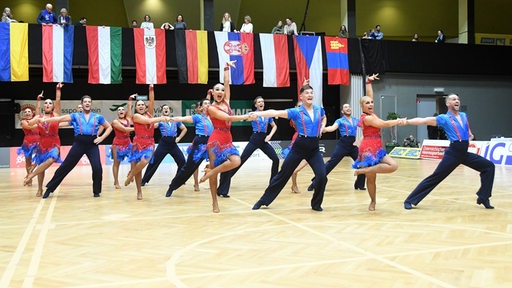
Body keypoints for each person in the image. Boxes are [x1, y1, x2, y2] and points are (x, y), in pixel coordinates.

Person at [402, 93, 495, 210]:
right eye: (453, 99)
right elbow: (424, 120)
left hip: (464, 153)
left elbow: (469, 133)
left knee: (489, 167)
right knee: (435, 177)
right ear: (447, 103)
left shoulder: (464, 115)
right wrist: (406, 122)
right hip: (453, 153)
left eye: (458, 99)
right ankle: (410, 200)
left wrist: (468, 138)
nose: (457, 101)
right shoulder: (444, 118)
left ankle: (483, 197)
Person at [251, 83, 327, 211]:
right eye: (307, 93)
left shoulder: (319, 109)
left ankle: (316, 204)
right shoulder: (296, 112)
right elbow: (275, 112)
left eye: (311, 93)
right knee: (283, 175)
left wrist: (322, 127)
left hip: (314, 148)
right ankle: (263, 200)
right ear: (301, 96)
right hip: (299, 146)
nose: (310, 95)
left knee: (322, 176)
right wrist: (258, 114)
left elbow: (324, 118)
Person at [199, 60, 249, 213]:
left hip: (228, 139)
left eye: (222, 90)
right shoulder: (212, 108)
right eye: (217, 90)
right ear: (212, 93)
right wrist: (246, 117)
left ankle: (211, 171)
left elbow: (227, 83)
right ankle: (214, 202)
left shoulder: (227, 102)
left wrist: (226, 67)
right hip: (215, 140)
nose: (220, 91)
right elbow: (228, 119)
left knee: (236, 161)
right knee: (214, 174)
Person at [40, 93, 113, 199]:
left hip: (92, 144)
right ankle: (49, 188)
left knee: (97, 168)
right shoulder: (75, 116)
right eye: (85, 102)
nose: (87, 103)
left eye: (89, 102)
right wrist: (46, 120)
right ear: (82, 104)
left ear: (91, 104)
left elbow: (109, 127)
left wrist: (101, 138)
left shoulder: (98, 117)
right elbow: (60, 119)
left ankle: (96, 191)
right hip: (79, 143)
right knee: (66, 166)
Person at [352, 74, 402, 211]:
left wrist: (368, 82)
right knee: (371, 179)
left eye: (371, 102)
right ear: (362, 106)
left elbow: (369, 95)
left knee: (393, 165)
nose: (371, 104)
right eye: (367, 103)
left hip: (378, 147)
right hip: (368, 148)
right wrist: (398, 121)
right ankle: (373, 201)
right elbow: (384, 124)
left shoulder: (371, 114)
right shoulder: (367, 118)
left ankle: (364, 171)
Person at [216, 96, 279, 198]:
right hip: (254, 139)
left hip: (263, 140)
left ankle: (274, 183)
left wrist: (269, 136)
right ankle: (223, 186)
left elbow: (274, 126)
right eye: (259, 102)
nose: (261, 103)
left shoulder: (267, 115)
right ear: (255, 105)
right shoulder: (252, 114)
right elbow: (240, 118)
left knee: (275, 159)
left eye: (262, 101)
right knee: (239, 162)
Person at [124, 85, 171, 200]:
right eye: (138, 105)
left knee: (145, 161)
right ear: (136, 108)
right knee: (138, 169)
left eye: (142, 104)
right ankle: (139, 191)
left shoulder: (149, 113)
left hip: (149, 142)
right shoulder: (136, 116)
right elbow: (149, 121)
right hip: (137, 143)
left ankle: (131, 174)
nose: (140, 106)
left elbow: (152, 101)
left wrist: (151, 89)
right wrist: (161, 118)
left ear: (145, 107)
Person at [307, 103, 366, 192]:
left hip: (353, 145)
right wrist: (324, 129)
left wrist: (359, 141)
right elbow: (332, 128)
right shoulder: (340, 120)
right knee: (330, 164)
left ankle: (359, 185)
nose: (348, 108)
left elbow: (365, 129)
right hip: (343, 145)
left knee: (363, 164)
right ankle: (315, 183)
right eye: (346, 107)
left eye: (349, 107)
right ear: (342, 111)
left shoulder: (356, 120)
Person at [165, 97, 214, 197]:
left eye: (209, 103)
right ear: (201, 107)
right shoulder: (198, 117)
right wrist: (172, 119)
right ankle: (172, 186)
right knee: (188, 168)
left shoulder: (213, 117)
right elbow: (184, 118)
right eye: (205, 104)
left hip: (211, 143)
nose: (208, 105)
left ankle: (220, 189)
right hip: (200, 143)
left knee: (218, 164)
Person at [24, 84, 63, 197]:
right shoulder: (38, 117)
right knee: (41, 167)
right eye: (46, 102)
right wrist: (36, 121)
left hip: (54, 142)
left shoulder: (56, 115)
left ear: (53, 106)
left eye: (50, 103)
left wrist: (58, 89)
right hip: (42, 144)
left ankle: (31, 175)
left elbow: (58, 100)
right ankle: (40, 188)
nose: (48, 104)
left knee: (52, 158)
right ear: (43, 106)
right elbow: (29, 123)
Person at [140, 104, 187, 186]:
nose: (166, 109)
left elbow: (184, 129)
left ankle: (179, 180)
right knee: (153, 162)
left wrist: (179, 138)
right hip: (163, 143)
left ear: (170, 111)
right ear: (162, 111)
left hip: (173, 143)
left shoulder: (175, 120)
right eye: (164, 108)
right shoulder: (160, 120)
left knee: (182, 161)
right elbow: (151, 127)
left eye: (167, 108)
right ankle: (144, 180)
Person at [110, 94, 135, 189]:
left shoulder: (128, 119)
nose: (121, 111)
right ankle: (116, 181)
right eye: (119, 110)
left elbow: (129, 108)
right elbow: (125, 130)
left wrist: (130, 99)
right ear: (117, 113)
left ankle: (131, 173)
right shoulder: (115, 122)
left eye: (122, 109)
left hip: (128, 142)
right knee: (117, 163)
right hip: (118, 143)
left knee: (134, 158)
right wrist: (136, 128)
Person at [17, 93, 42, 187]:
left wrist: (38, 100)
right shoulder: (23, 121)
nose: (27, 113)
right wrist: (40, 123)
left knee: (41, 158)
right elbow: (30, 127)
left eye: (29, 112)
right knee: (28, 161)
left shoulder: (35, 118)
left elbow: (38, 112)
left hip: (38, 141)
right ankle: (29, 178)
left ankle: (31, 171)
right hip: (28, 143)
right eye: (25, 112)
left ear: (32, 113)